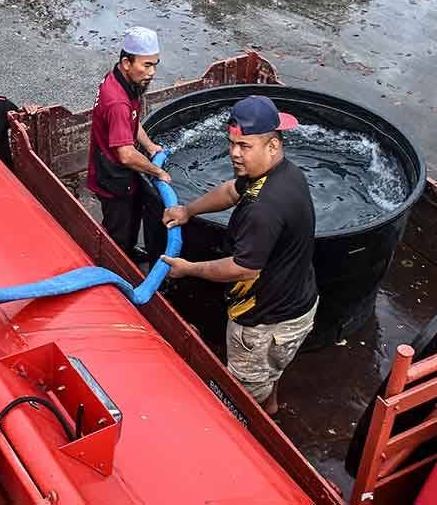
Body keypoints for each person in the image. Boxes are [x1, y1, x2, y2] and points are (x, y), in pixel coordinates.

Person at [161, 95, 319, 415]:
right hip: (297, 304)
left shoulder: (265, 208)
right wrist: (188, 210)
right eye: (232, 143)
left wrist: (188, 268)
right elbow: (233, 190)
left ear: (272, 145)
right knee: (269, 373)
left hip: (264, 325)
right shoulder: (284, 173)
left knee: (239, 399)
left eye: (245, 146)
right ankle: (271, 408)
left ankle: (252, 442)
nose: (234, 153)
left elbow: (242, 268)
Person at [86, 27, 171, 261]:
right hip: (113, 178)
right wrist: (158, 171)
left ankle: (130, 253)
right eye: (146, 65)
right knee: (119, 233)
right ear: (126, 62)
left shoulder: (124, 80)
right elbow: (125, 154)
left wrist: (151, 146)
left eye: (155, 64)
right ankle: (115, 270)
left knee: (132, 221)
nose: (152, 72)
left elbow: (132, 123)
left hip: (121, 174)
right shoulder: (116, 101)